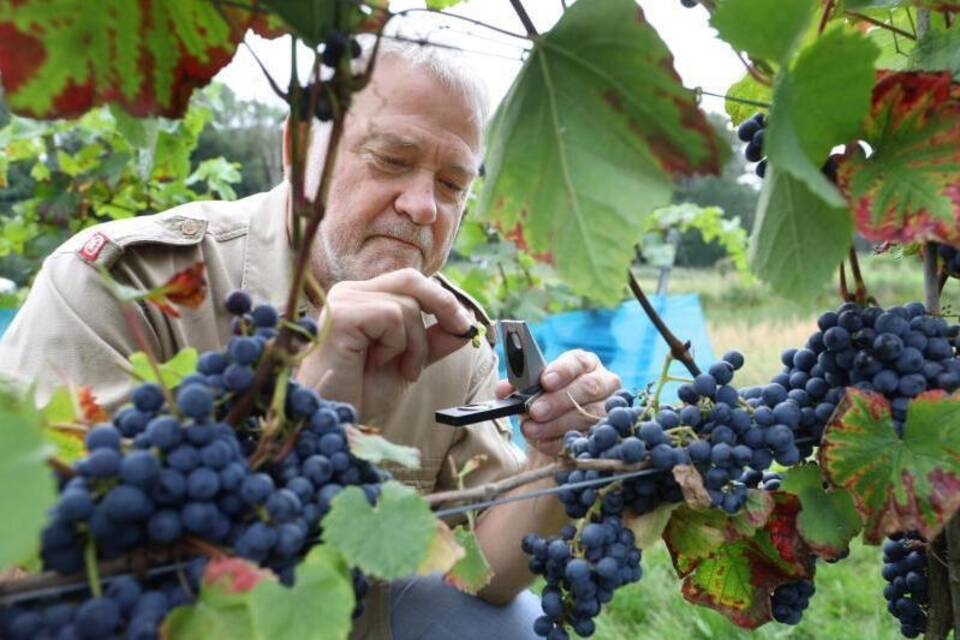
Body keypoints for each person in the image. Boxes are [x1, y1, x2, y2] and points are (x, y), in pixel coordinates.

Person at [0, 39, 621, 639]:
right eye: (392, 159)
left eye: (454, 184)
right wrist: (302, 412)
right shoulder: (126, 285)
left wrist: (553, 460)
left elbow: (483, 576)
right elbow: (48, 559)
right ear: (299, 148)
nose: (424, 206)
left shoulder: (455, 343)